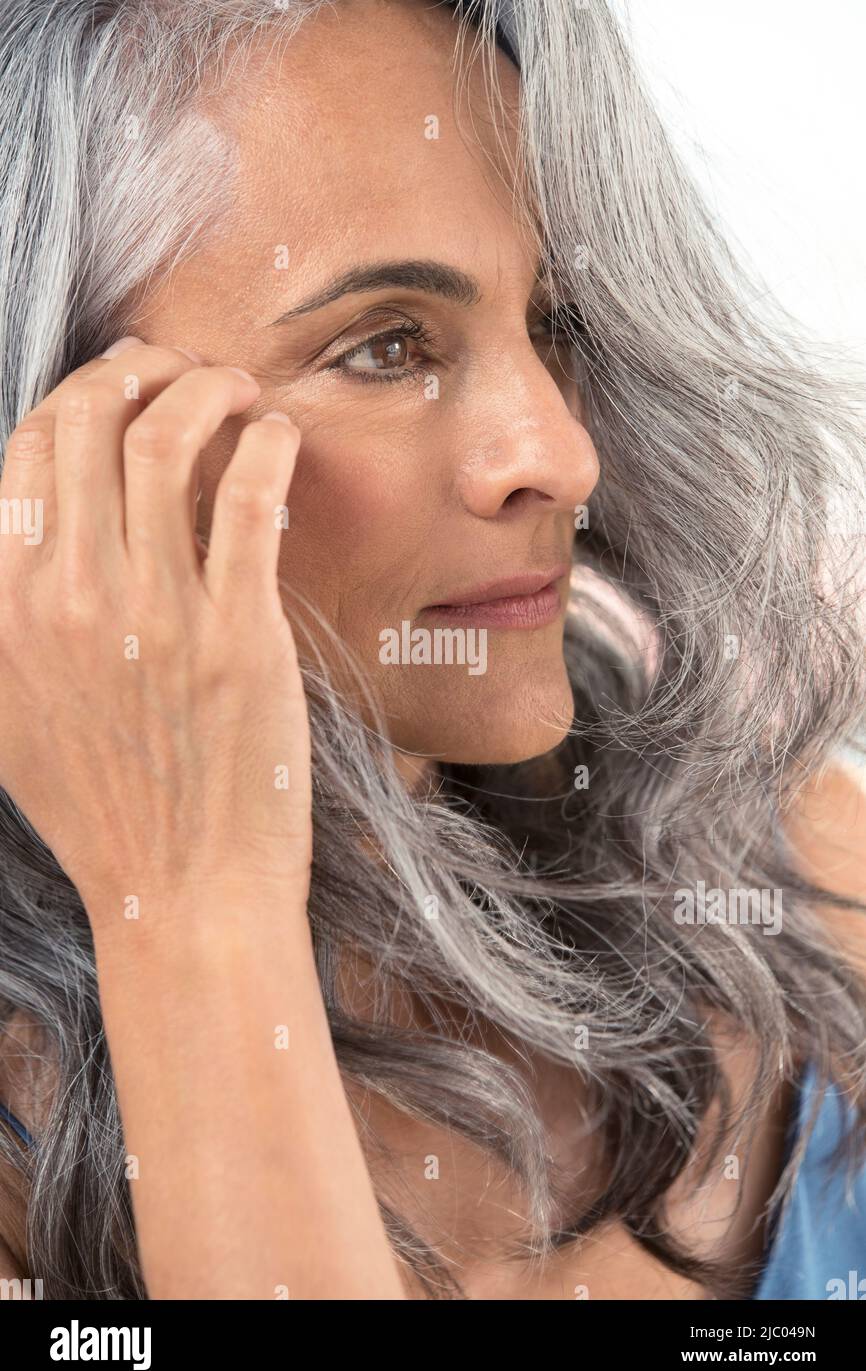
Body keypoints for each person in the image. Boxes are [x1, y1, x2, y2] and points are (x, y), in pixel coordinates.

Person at [0, 0, 864, 1301]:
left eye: (555, 323)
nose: (559, 457)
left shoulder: (777, 865)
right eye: (387, 345)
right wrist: (188, 909)